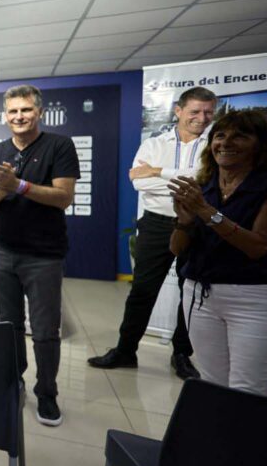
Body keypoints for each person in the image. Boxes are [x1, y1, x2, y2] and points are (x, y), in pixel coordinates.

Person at [88, 87, 216, 378]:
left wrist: (158, 172)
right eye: (195, 111)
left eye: (208, 111)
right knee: (143, 290)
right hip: (157, 223)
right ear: (178, 111)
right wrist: (185, 179)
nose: (202, 117)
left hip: (199, 225)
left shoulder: (214, 146)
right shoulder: (154, 144)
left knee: (191, 292)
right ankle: (125, 350)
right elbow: (138, 183)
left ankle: (182, 354)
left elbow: (208, 182)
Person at [0, 84, 79, 427]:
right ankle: (14, 381)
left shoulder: (59, 146)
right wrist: (3, 191)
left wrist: (18, 186)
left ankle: (47, 394)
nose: (19, 117)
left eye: (25, 110)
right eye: (12, 112)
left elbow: (63, 197)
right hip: (2, 253)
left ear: (39, 112)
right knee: (8, 326)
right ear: (5, 116)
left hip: (44, 256)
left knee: (46, 331)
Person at [168, 109, 267, 395]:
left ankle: (247, 441)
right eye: (220, 135)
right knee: (213, 383)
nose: (226, 142)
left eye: (241, 136)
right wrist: (185, 221)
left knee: (248, 391)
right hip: (200, 295)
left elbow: (258, 246)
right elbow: (177, 249)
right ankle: (219, 440)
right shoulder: (203, 186)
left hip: (254, 300)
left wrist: (206, 212)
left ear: (261, 144)